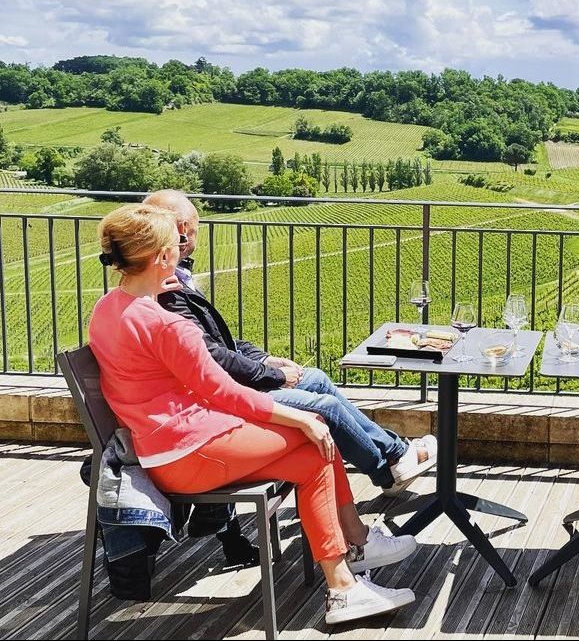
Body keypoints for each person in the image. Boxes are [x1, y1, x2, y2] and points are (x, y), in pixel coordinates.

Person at [88, 204, 416, 625]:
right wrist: (298, 418)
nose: (182, 250)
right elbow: (222, 392)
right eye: (176, 245)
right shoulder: (169, 325)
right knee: (316, 436)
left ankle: (346, 580)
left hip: (159, 453)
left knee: (314, 454)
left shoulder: (106, 310)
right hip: (191, 452)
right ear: (161, 258)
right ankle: (351, 561)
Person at [143, 190, 435, 498]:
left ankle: (395, 452)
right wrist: (274, 376)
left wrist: (266, 358)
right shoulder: (167, 291)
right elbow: (212, 358)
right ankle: (387, 468)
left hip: (231, 385)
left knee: (317, 379)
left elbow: (220, 342)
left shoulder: (170, 281)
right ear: (183, 230)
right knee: (327, 408)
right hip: (225, 400)